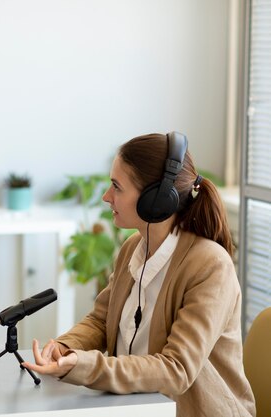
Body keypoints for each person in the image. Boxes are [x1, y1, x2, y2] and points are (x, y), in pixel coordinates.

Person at [23, 132, 255, 417]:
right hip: (138, 407)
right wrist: (65, 346)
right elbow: (101, 320)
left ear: (156, 199)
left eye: (117, 187)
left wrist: (84, 366)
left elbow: (176, 370)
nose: (107, 197)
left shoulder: (209, 266)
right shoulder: (134, 247)